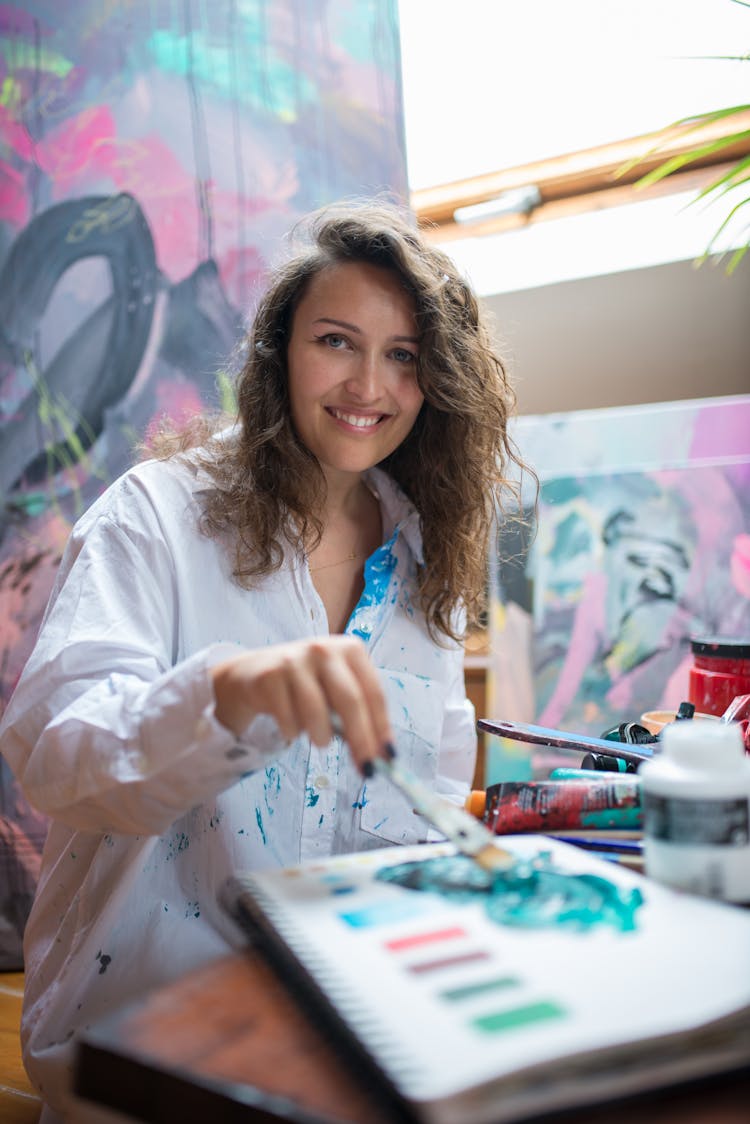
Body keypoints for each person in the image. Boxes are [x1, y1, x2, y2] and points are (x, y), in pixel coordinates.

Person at [0, 199, 524, 1122]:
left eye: (404, 355)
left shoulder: (424, 562)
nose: (370, 384)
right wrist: (224, 696)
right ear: (280, 350)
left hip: (352, 1060)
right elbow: (58, 761)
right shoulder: (155, 514)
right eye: (337, 341)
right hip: (145, 1069)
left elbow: (426, 810)